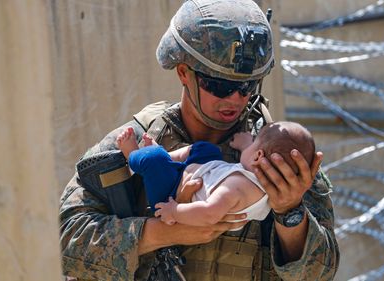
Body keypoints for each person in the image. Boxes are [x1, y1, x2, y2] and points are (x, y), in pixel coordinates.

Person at [59, 0, 339, 280]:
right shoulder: (138, 143)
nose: (236, 99)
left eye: (247, 86)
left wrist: (289, 213)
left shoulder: (277, 155)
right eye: (220, 86)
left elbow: (318, 274)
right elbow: (66, 242)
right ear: (184, 73)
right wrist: (160, 233)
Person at [116, 121, 315, 230]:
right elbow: (252, 161)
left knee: (152, 159)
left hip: (171, 193)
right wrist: (247, 145)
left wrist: (175, 211)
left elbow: (210, 214)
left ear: (258, 155)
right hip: (202, 173)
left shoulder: (236, 188)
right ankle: (166, 159)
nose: (250, 143)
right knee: (207, 150)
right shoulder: (263, 185)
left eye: (254, 142)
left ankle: (133, 155)